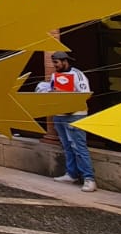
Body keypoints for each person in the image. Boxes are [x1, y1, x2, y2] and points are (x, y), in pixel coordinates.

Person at [36, 51, 95, 192]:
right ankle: (71, 174)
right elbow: (51, 91)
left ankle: (89, 178)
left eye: (56, 62)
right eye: (53, 62)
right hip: (59, 115)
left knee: (79, 147)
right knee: (67, 146)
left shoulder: (77, 75)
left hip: (75, 115)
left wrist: (63, 93)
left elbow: (85, 94)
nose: (54, 65)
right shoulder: (55, 76)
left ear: (64, 61)